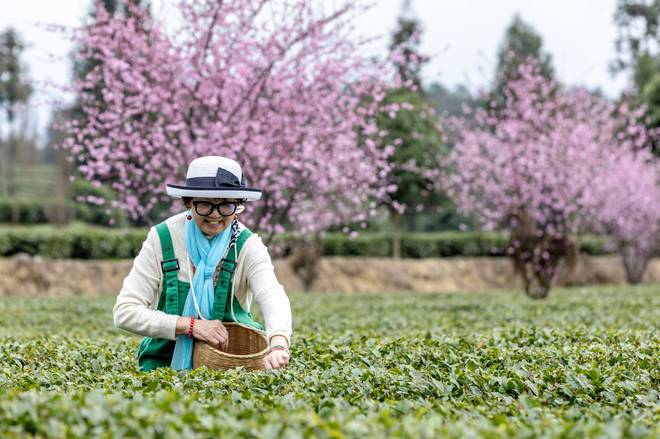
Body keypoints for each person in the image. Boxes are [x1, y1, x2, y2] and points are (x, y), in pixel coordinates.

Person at [113, 156, 292, 371]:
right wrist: (190, 326)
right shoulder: (162, 238)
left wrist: (279, 343)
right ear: (188, 202)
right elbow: (125, 311)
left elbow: (271, 295)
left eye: (226, 205)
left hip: (231, 362)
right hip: (164, 363)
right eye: (205, 204)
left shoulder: (247, 245)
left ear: (238, 207)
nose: (215, 215)